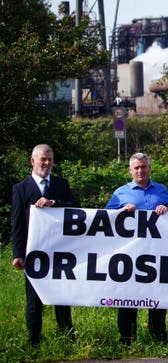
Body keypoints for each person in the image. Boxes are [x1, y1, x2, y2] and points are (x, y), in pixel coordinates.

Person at [105, 152, 168, 344]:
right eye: (136, 168)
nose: (140, 171)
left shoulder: (161, 190)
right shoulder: (120, 192)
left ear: (149, 168)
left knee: (156, 297)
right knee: (128, 298)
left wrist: (167, 210)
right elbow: (104, 217)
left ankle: (159, 338)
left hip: (156, 253)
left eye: (143, 167)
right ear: (130, 170)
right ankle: (127, 339)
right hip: (130, 254)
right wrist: (121, 211)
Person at [11, 144, 78, 346]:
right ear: (33, 161)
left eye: (50, 160)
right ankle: (34, 342)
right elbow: (17, 224)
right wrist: (17, 254)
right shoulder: (21, 188)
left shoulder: (61, 184)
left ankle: (67, 338)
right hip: (34, 253)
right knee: (34, 300)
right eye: (43, 160)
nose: (47, 163)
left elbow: (76, 208)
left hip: (60, 252)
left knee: (62, 297)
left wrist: (53, 203)